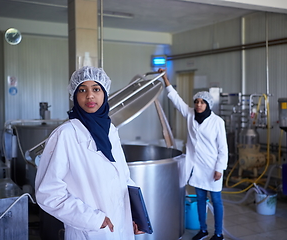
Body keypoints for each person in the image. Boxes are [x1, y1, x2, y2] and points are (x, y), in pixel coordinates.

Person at [35, 66, 144, 240]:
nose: (90, 96)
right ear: (74, 96)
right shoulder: (65, 134)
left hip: (120, 228)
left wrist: (130, 216)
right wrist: (92, 220)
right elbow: (48, 193)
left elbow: (122, 178)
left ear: (105, 93)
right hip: (89, 232)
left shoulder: (110, 131)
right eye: (82, 90)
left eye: (96, 89)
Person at [158, 69, 228, 240]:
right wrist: (165, 80)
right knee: (201, 201)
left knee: (217, 202)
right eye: (196, 102)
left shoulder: (217, 122)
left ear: (208, 104)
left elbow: (223, 148)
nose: (198, 105)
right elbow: (176, 99)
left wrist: (220, 168)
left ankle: (218, 234)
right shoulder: (190, 115)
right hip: (197, 167)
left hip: (212, 168)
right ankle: (203, 230)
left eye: (202, 102)